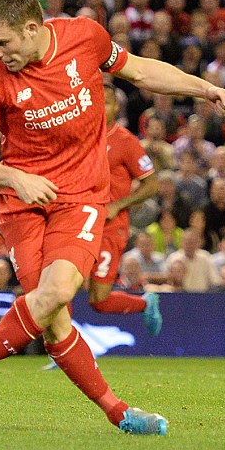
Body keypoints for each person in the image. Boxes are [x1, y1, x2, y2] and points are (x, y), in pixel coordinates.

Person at [0, 0, 225, 435]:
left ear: (32, 28)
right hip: (23, 202)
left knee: (56, 295)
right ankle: (119, 413)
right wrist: (16, 178)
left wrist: (204, 88)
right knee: (52, 317)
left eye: (4, 43)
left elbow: (140, 71)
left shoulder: (86, 37)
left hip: (82, 198)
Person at [86, 87, 162, 333]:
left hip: (110, 228)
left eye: (107, 102)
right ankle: (63, 349)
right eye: (96, 101)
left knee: (99, 300)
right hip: (80, 224)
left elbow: (151, 184)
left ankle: (144, 302)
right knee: (62, 286)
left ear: (116, 107)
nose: (101, 107)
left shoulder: (125, 141)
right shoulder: (80, 136)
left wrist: (117, 205)